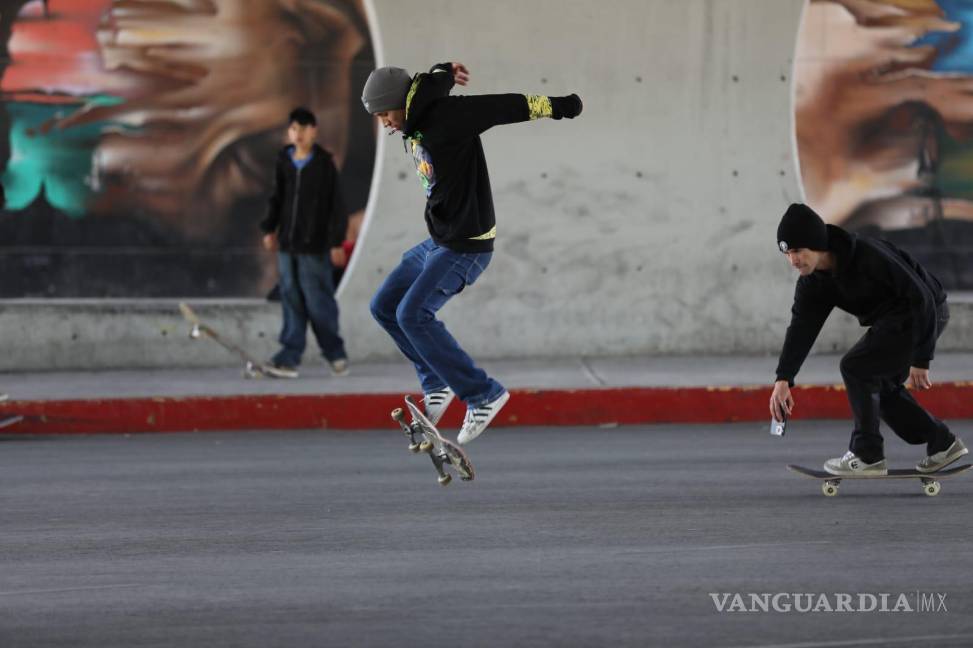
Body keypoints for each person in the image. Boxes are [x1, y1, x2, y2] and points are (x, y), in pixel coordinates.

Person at [361, 62, 582, 444]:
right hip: (438, 242)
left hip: (467, 245)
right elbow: (431, 83)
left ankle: (484, 394)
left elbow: (504, 106)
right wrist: (444, 69)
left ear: (400, 103)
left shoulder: (449, 117)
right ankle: (437, 384)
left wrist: (559, 105)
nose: (385, 124)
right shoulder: (418, 112)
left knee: (412, 314)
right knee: (384, 306)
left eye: (385, 114)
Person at [769, 203, 966, 475]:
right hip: (894, 318)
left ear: (818, 245)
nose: (793, 260)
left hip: (924, 310)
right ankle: (942, 443)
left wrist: (922, 357)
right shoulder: (812, 283)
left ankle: (867, 454)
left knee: (856, 367)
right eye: (787, 253)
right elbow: (802, 328)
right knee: (878, 386)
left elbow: (921, 298)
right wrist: (783, 378)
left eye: (798, 251)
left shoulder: (866, 255)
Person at [260, 107, 349, 378]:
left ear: (314, 131)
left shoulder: (324, 164)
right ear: (289, 132)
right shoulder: (284, 161)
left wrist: (336, 242)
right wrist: (270, 228)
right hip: (288, 243)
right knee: (291, 297)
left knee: (317, 300)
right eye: (294, 129)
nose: (299, 134)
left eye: (304, 128)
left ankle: (335, 352)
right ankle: (289, 356)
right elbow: (277, 198)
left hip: (315, 246)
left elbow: (337, 206)